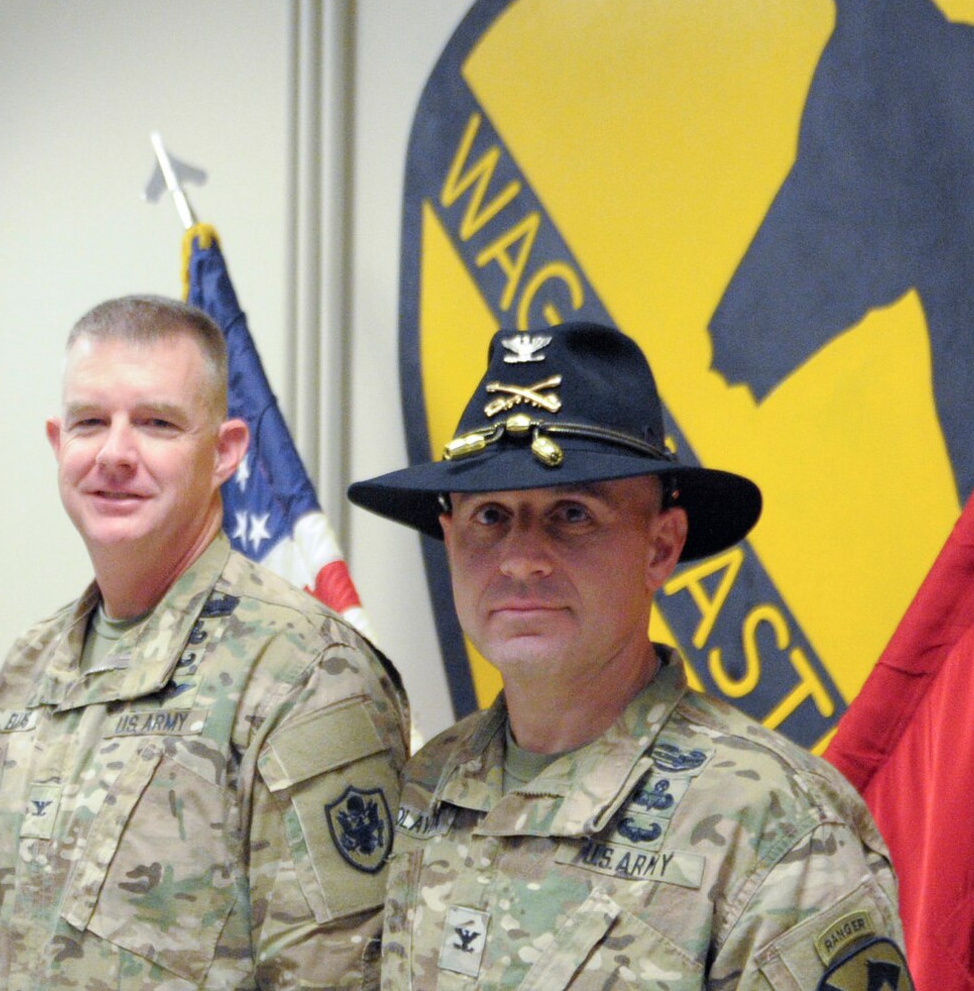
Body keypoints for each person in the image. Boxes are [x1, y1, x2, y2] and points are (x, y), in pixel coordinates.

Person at [347, 322, 908, 989]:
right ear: (447, 534)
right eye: (490, 516)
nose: (521, 558)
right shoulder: (430, 783)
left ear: (660, 547)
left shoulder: (770, 823)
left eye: (572, 514)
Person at [0, 295, 410, 989]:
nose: (114, 454)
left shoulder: (305, 671)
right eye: (89, 423)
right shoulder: (29, 665)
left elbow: (332, 975)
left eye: (156, 423)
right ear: (58, 443)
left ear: (225, 451)